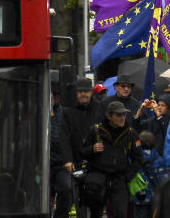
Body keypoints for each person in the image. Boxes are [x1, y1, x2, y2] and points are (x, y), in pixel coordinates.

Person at [81, 101, 143, 218]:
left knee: (121, 213)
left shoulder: (131, 133)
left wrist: (127, 177)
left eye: (124, 114)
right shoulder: (95, 131)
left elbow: (138, 158)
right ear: (109, 116)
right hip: (98, 178)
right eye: (118, 115)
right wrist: (92, 149)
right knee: (95, 213)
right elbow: (82, 152)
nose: (122, 118)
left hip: (119, 179)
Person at [61, 78, 99, 217]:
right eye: (81, 91)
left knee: (96, 199)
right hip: (76, 160)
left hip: (96, 160)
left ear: (91, 92)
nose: (83, 94)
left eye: (86, 91)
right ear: (76, 93)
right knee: (78, 199)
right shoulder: (68, 111)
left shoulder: (99, 108)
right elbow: (64, 137)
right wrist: (68, 159)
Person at [49, 81, 73, 218]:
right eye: (53, 94)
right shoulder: (39, 110)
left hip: (62, 162)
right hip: (45, 162)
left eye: (58, 94)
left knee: (66, 188)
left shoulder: (65, 113)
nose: (55, 97)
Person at [130, 130, 165, 218]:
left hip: (139, 196)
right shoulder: (158, 159)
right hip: (154, 197)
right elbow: (163, 179)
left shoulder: (134, 158)